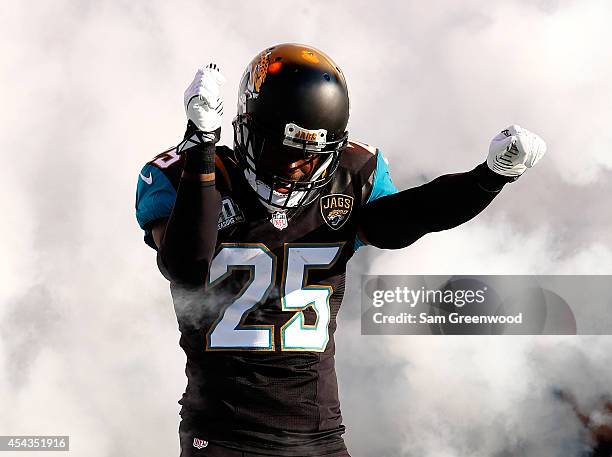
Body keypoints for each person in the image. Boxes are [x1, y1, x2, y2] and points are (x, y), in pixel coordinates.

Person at [135, 43, 546, 457]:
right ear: (245, 129)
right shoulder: (186, 175)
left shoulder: (351, 175)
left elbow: (404, 221)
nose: (298, 167)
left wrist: (488, 178)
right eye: (284, 151)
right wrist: (201, 149)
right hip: (222, 436)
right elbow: (187, 267)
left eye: (312, 157)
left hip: (318, 435)